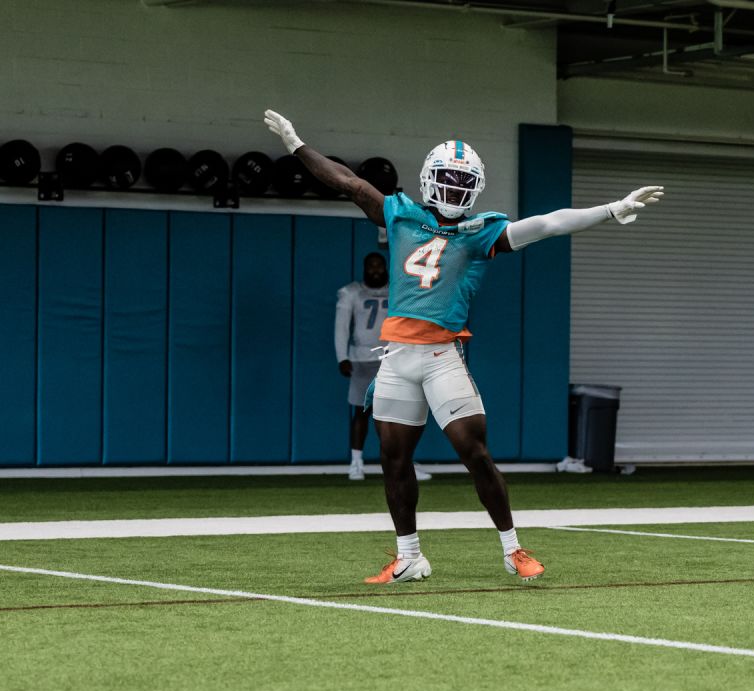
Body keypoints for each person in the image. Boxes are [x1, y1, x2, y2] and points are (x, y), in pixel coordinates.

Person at [265, 109, 664, 584]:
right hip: (395, 358)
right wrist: (296, 144)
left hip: (440, 357)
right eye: (448, 180)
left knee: (474, 452)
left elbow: (547, 224)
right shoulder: (400, 213)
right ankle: (409, 556)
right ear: (429, 179)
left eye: (462, 182)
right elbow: (349, 182)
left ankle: (512, 549)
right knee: (393, 460)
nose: (454, 190)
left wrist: (610, 209)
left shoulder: (480, 233)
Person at [335, 253, 432, 482]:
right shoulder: (351, 292)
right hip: (363, 357)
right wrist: (342, 357)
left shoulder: (397, 290)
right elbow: (341, 327)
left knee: (400, 413)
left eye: (380, 266)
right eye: (371, 266)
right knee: (362, 411)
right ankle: (356, 463)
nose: (376, 270)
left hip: (395, 356)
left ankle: (404, 461)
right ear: (364, 268)